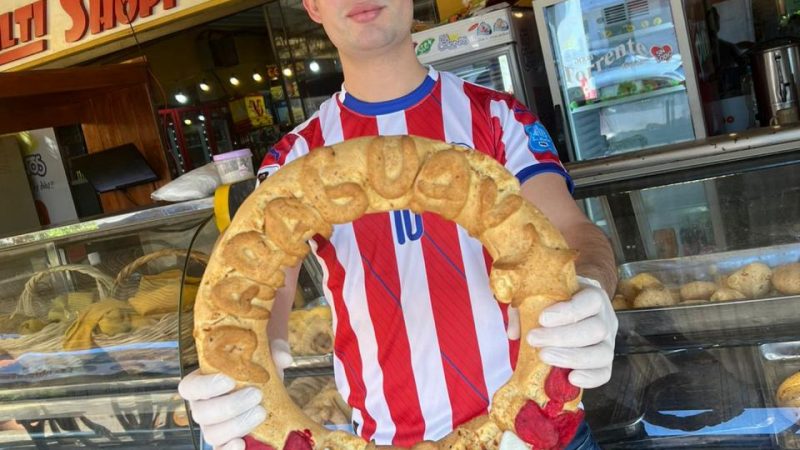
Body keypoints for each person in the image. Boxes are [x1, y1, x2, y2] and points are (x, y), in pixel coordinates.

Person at [178, 1, 618, 449]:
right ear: (311, 5)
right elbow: (262, 291)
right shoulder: (292, 158)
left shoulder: (499, 116)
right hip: (385, 438)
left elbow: (570, 231)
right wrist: (235, 369)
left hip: (532, 430)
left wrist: (589, 285)